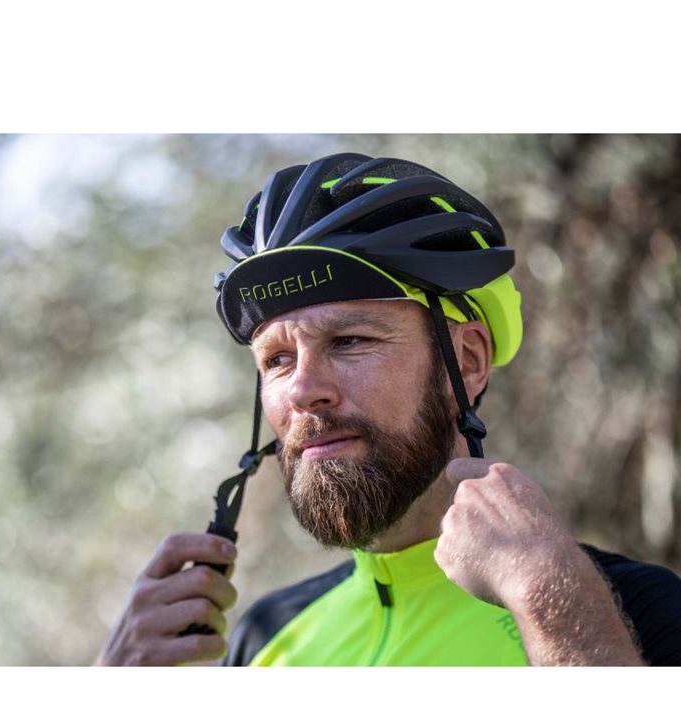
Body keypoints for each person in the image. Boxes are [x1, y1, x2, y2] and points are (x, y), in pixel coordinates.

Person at [96, 153, 681, 667]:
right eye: (277, 359)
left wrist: (548, 598)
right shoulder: (263, 638)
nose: (302, 390)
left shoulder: (635, 612)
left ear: (467, 361)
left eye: (350, 341)